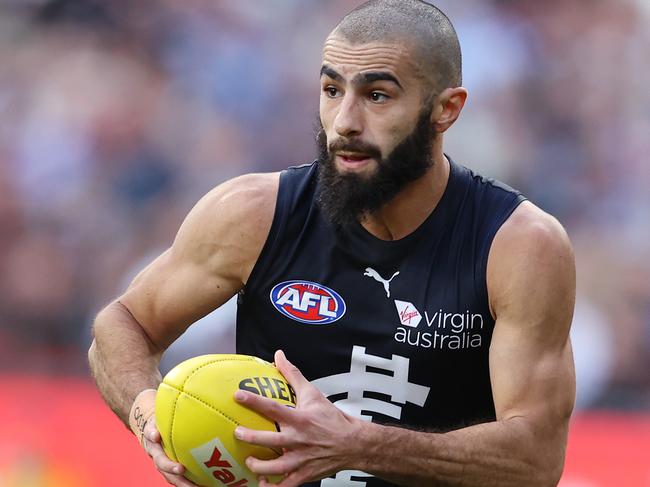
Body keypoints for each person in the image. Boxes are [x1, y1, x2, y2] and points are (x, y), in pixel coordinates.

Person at [88, 1, 576, 486]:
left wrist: (357, 444)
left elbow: (534, 459)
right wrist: (146, 413)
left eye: (378, 95)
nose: (344, 121)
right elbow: (122, 324)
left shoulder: (518, 246)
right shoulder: (252, 214)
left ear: (445, 110)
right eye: (331, 89)